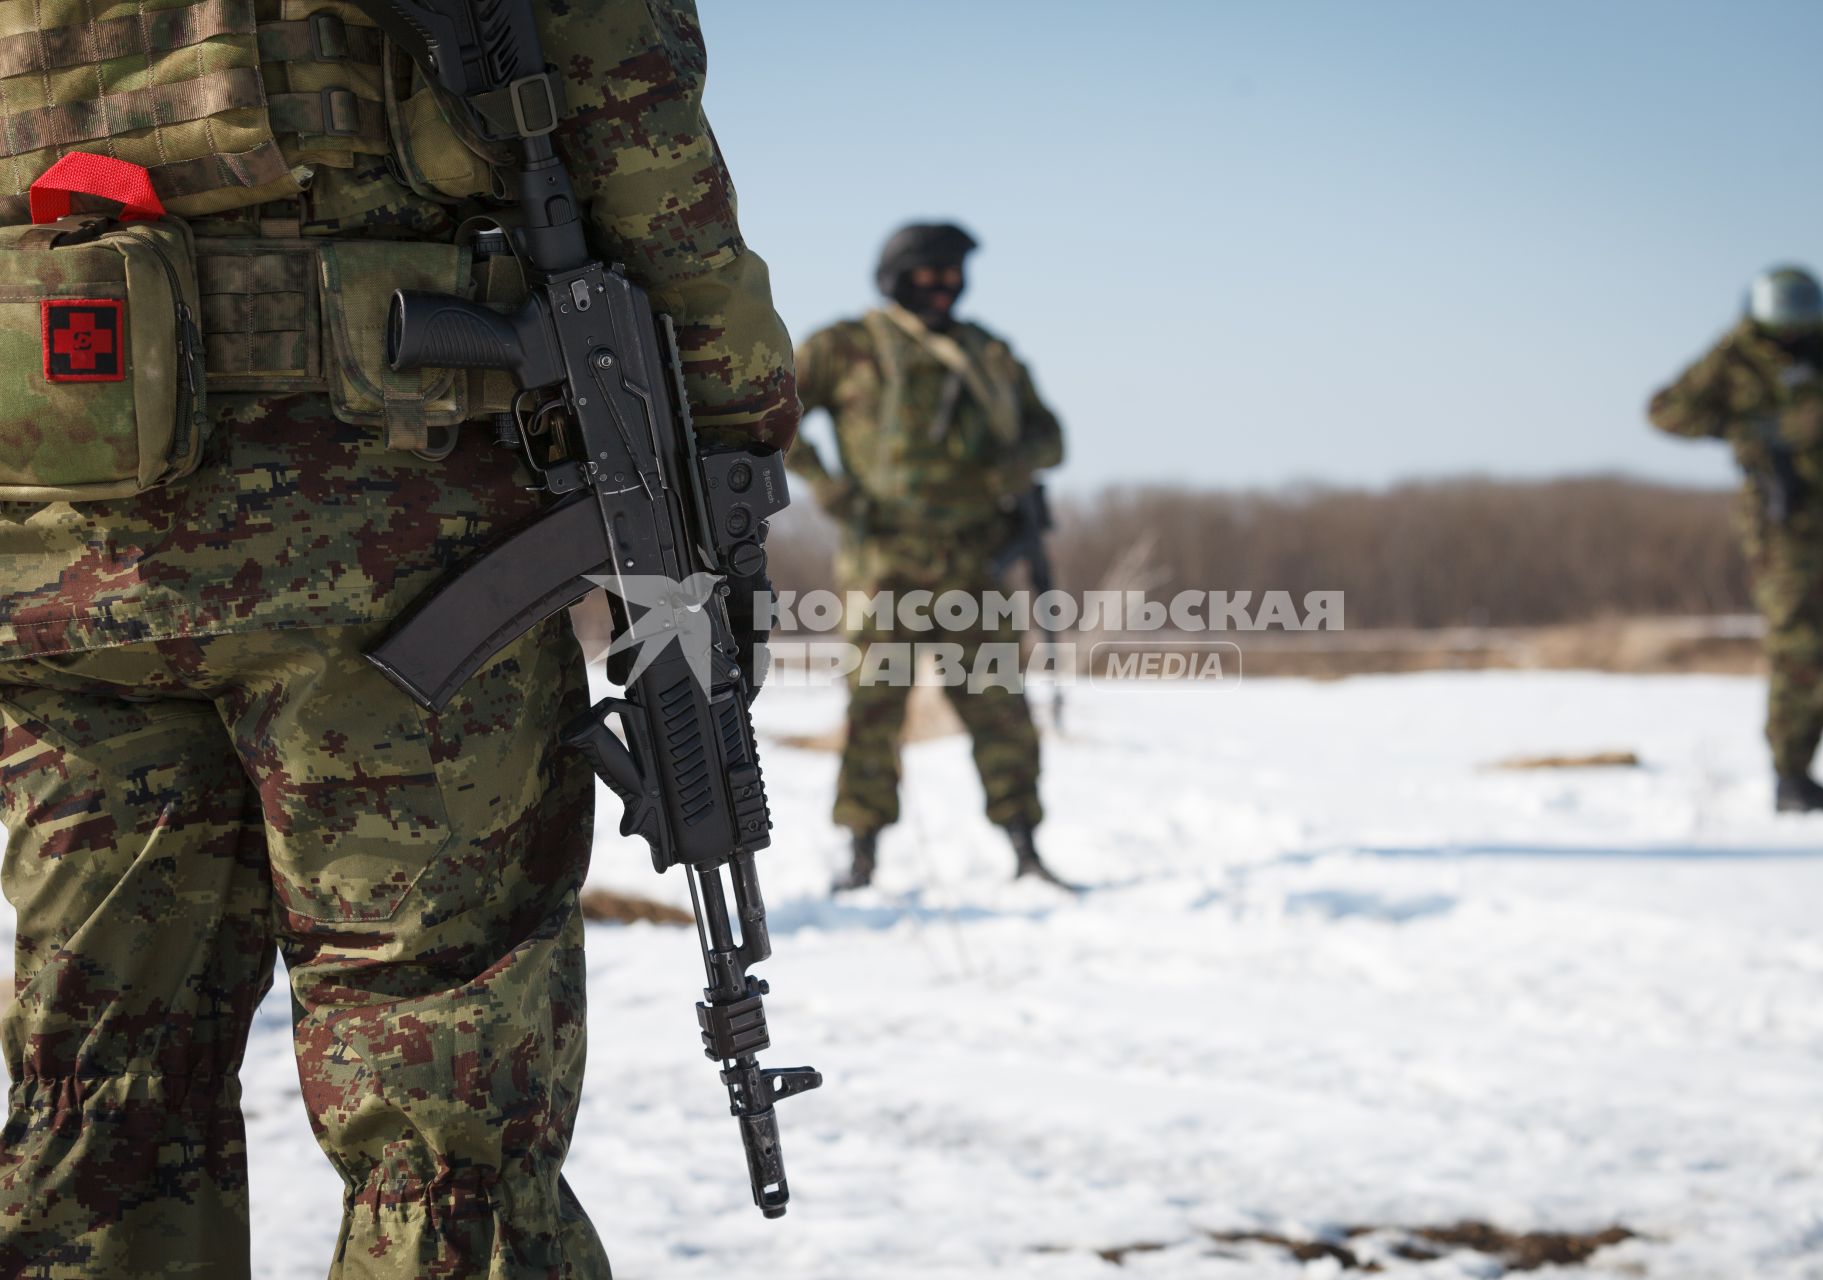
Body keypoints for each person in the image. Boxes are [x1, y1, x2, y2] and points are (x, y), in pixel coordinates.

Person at [0, 2, 798, 1275]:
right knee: (445, 1088)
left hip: (58, 536)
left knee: (103, 1091)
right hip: (385, 523)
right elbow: (630, 115)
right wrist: (736, 420)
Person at [789, 223, 1070, 890]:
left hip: (977, 562)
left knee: (1000, 707)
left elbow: (1051, 436)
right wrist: (829, 488)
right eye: (926, 276)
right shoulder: (847, 345)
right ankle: (861, 857)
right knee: (874, 709)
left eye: (951, 276)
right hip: (885, 560)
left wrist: (1012, 468)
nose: (941, 289)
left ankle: (1025, 847)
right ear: (894, 277)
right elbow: (770, 411)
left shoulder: (987, 354)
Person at [1648, 266, 1823, 813]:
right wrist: (1740, 428)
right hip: (1782, 524)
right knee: (1796, 645)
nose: (1791, 333)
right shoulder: (1736, 355)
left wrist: (1822, 418)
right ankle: (1788, 773)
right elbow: (1664, 410)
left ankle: (1804, 769)